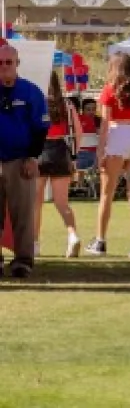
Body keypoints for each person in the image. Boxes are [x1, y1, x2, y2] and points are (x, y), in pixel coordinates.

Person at [88, 52, 130, 258]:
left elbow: (105, 124)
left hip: (117, 134)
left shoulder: (109, 90)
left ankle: (100, 241)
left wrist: (100, 150)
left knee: (107, 192)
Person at [0, 43, 49, 277]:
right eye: (0, 63)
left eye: (8, 62)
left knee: (23, 214)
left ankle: (23, 260)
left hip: (20, 161)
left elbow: (41, 128)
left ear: (17, 64)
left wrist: (32, 157)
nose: (4, 67)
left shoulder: (31, 92)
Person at [35, 71, 83, 258]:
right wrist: (73, 154)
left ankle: (34, 243)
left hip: (39, 149)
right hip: (61, 150)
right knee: (62, 203)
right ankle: (72, 235)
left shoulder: (36, 102)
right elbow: (78, 132)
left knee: (35, 203)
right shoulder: (67, 105)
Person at [75, 97, 100, 172]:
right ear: (82, 110)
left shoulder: (99, 120)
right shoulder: (77, 120)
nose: (91, 112)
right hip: (80, 153)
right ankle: (80, 183)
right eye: (88, 109)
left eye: (94, 109)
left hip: (95, 153)